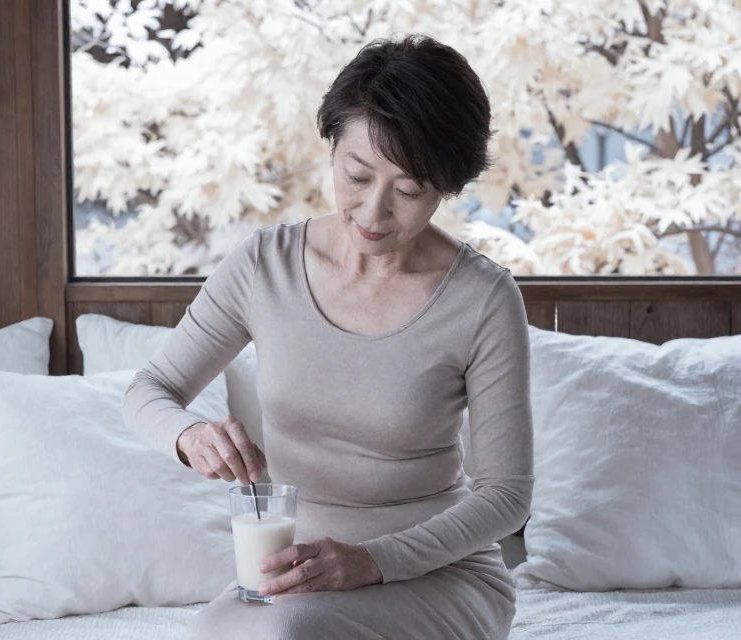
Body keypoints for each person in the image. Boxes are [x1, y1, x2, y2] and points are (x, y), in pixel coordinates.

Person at [124, 34, 533, 640]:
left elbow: (507, 496)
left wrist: (372, 561)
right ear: (333, 150)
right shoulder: (264, 266)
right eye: (357, 176)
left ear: (447, 186)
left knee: (290, 635)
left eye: (409, 190)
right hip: (299, 572)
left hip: (440, 572)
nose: (373, 212)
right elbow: (150, 389)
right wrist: (189, 436)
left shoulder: (483, 298)